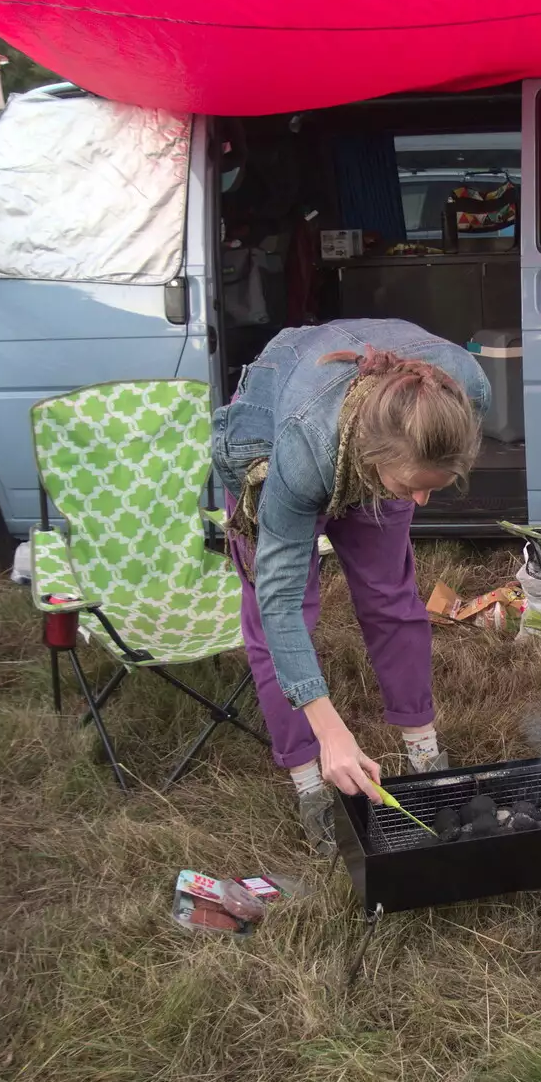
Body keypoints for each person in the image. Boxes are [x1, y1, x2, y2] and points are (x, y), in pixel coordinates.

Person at [211, 319, 489, 853]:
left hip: (378, 426)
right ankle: (311, 783)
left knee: (390, 595)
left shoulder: (463, 394)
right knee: (286, 617)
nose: (422, 503)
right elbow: (280, 605)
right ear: (372, 458)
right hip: (272, 422)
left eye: (435, 487)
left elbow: (417, 472)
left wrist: (409, 484)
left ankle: (424, 751)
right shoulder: (299, 454)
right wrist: (330, 729)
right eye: (411, 487)